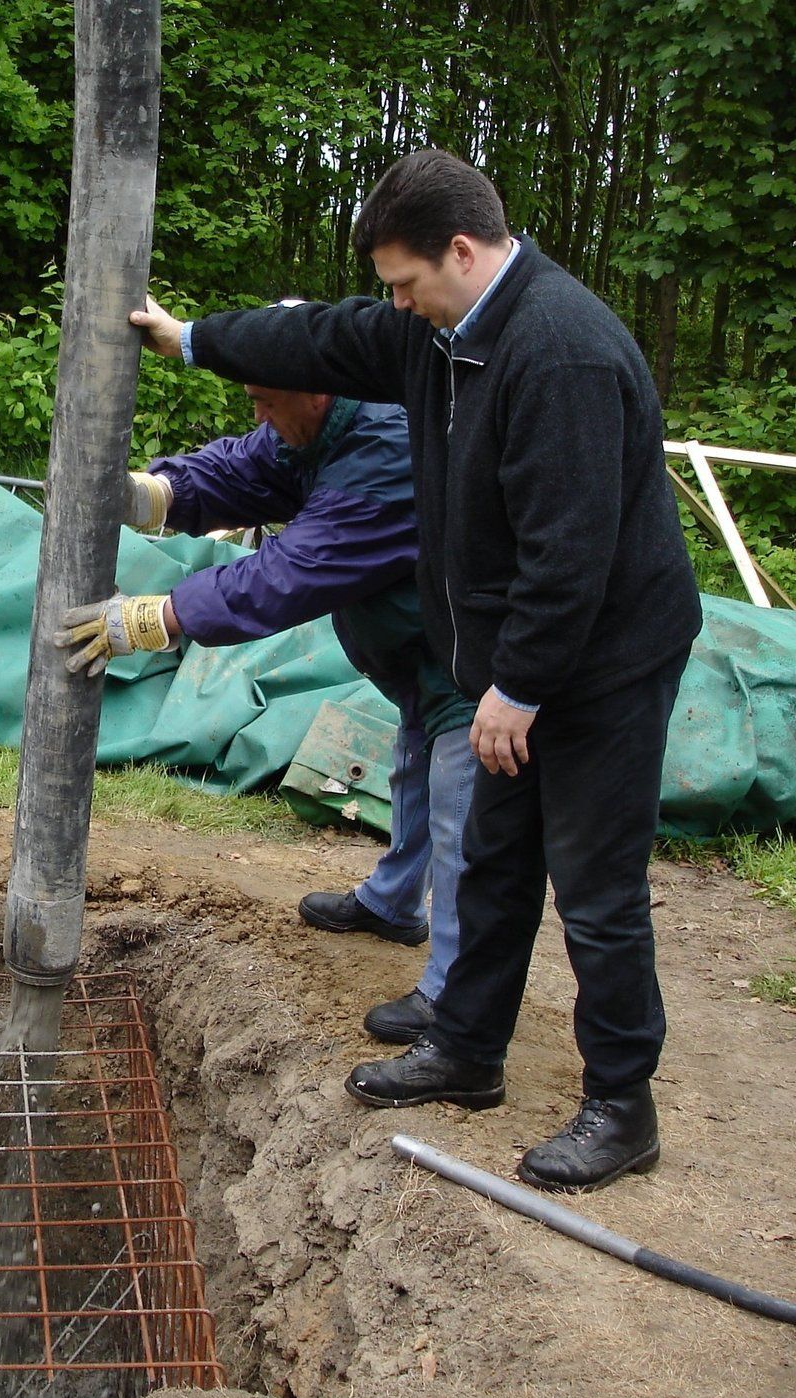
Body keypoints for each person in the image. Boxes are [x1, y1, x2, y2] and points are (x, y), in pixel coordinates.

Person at [131, 148, 703, 1192]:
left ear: (464, 250)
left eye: (405, 282)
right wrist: (195, 340)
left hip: (603, 663)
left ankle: (624, 1107)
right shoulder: (440, 333)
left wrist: (518, 687)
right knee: (492, 858)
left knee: (596, 889)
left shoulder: (560, 354)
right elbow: (322, 335)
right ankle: (467, 1052)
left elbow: (569, 552)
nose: (395, 302)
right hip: (515, 655)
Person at [51, 380, 476, 1043]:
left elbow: (287, 574)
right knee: (415, 767)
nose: (257, 414)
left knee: (461, 819)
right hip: (424, 656)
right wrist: (154, 493)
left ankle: (456, 999)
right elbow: (244, 467)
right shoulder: (314, 428)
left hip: (473, 662)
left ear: (318, 390)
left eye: (267, 399)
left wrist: (155, 617)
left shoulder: (387, 447)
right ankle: (394, 903)